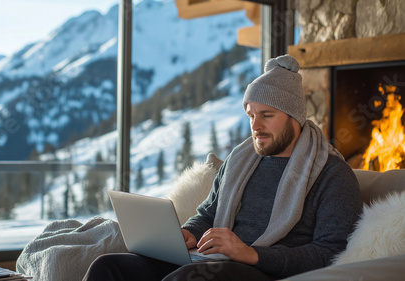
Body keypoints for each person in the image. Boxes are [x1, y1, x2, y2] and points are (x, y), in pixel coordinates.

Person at [82, 54, 362, 281]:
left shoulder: (332, 175)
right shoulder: (240, 161)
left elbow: (330, 252)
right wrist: (187, 233)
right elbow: (207, 214)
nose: (255, 125)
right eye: (251, 114)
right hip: (215, 261)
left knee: (184, 278)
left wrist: (252, 254)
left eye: (267, 115)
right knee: (107, 268)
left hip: (263, 270)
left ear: (295, 118)